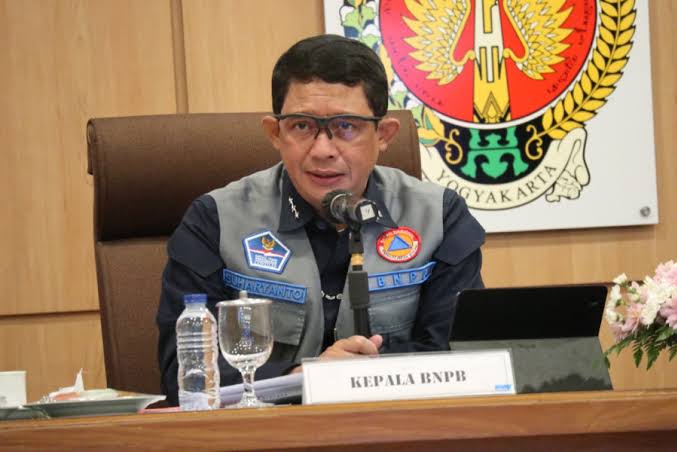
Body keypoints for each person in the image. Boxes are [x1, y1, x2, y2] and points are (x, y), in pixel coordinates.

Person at [156, 34, 485, 405]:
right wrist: (305, 378)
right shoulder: (215, 221)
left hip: (398, 425)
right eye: (302, 126)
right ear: (275, 133)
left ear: (383, 134)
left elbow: (465, 356)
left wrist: (359, 379)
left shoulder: (439, 217)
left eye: (347, 126)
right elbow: (184, 374)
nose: (323, 150)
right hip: (267, 429)